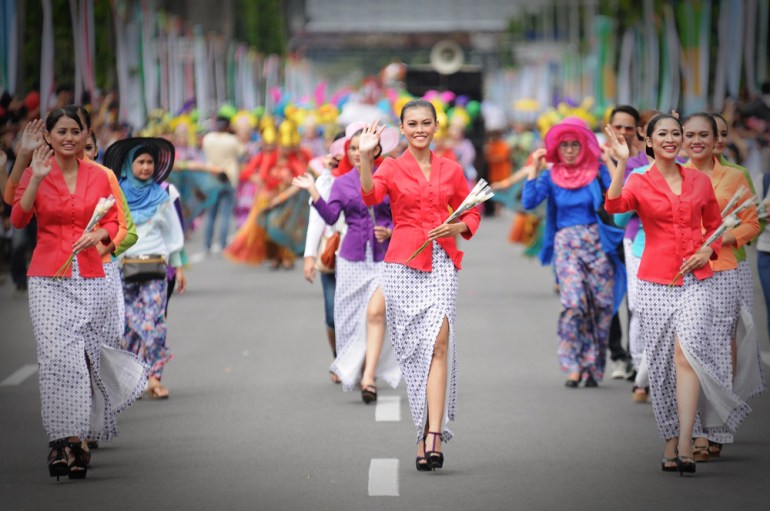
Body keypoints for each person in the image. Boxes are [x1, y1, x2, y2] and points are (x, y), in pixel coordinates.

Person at [604, 114, 751, 476]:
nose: (671, 139)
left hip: (697, 280)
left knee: (688, 354)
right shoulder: (639, 180)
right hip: (654, 281)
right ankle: (670, 438)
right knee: (662, 363)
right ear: (650, 142)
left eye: (676, 134)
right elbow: (614, 206)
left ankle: (686, 440)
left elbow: (716, 227)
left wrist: (708, 249)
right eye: (663, 134)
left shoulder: (700, 181)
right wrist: (622, 161)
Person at [11, 108, 146, 480]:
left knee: (86, 357)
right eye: (61, 131)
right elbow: (18, 219)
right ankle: (64, 440)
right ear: (49, 136)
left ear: (85, 133)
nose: (68, 138)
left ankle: (79, 436)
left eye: (75, 131)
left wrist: (101, 236)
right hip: (48, 278)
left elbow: (116, 222)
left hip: (92, 274)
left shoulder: (99, 175)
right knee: (57, 361)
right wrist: (35, 178)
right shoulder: (34, 172)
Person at [359, 99, 482, 472]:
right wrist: (366, 158)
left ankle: (434, 433)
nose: (419, 129)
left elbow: (472, 209)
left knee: (440, 342)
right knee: (415, 354)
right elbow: (370, 196)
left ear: (436, 126)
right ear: (402, 127)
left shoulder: (452, 169)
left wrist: (458, 226)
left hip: (442, 261)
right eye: (411, 123)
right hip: (402, 266)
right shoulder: (391, 167)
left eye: (425, 122)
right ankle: (421, 431)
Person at [293, 123, 402, 402]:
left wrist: (389, 229)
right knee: (349, 320)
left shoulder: (389, 176)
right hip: (351, 259)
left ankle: (369, 376)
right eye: (351, 148)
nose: (357, 152)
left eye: (362, 147)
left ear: (376, 149)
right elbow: (330, 217)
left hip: (383, 259)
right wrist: (314, 192)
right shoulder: (341, 183)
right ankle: (359, 365)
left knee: (377, 314)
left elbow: (399, 214)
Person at [681, 113, 763, 462]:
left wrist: (719, 241)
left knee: (715, 350)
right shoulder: (673, 175)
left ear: (717, 139)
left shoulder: (733, 176)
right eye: (690, 135)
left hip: (723, 270)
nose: (696, 141)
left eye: (704, 134)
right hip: (681, 273)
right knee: (688, 350)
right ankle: (694, 428)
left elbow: (752, 222)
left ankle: (714, 429)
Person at [522, 117, 626, 389]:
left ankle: (593, 366)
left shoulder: (597, 170)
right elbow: (530, 201)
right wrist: (534, 168)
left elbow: (622, 195)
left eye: (574, 145)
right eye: (564, 145)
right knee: (573, 304)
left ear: (584, 147)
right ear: (557, 148)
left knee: (600, 307)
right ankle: (572, 365)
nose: (569, 150)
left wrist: (611, 161)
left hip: (596, 243)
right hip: (566, 244)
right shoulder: (551, 175)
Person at [104, 137, 185, 400]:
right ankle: (134, 378)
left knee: (155, 323)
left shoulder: (162, 195)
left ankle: (154, 377)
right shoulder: (115, 196)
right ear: (129, 165)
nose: (146, 167)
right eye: (140, 162)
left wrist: (179, 267)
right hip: (122, 266)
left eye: (150, 162)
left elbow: (174, 234)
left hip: (156, 267)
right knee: (126, 326)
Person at [201, 116, 244, 253]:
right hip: (229, 177)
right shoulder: (232, 140)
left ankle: (207, 244)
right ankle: (223, 243)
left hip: (212, 178)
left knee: (211, 214)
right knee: (225, 214)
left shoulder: (208, 138)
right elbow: (242, 153)